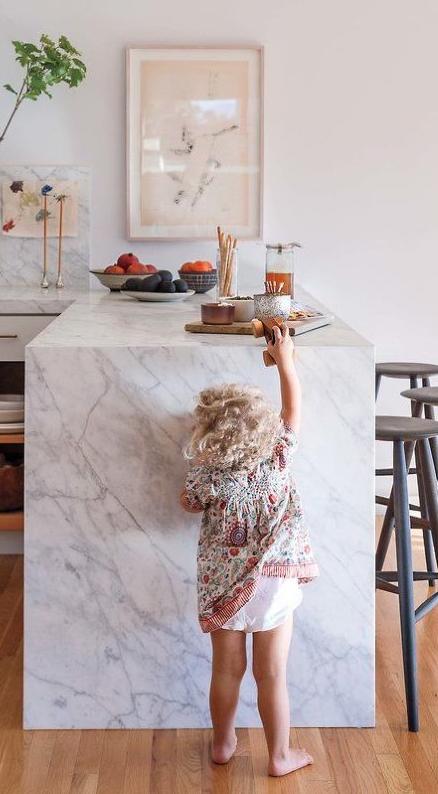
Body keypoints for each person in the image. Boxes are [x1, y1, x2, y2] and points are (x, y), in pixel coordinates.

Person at [179, 324, 317, 777]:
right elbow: (293, 405)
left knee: (226, 670)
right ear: (265, 427)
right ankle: (279, 757)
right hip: (274, 580)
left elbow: (188, 503)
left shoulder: (208, 471)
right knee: (272, 674)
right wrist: (285, 361)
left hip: (224, 585)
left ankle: (222, 744)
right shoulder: (278, 452)